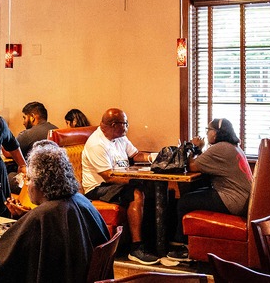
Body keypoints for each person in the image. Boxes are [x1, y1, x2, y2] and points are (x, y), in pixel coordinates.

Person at [0, 141, 109, 283]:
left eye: (28, 179)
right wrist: (25, 218)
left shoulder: (43, 216)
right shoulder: (82, 202)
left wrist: (28, 222)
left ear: (41, 182)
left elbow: (3, 268)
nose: (27, 184)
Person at [163, 118, 252, 264]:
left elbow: (191, 166)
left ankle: (183, 248)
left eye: (208, 130)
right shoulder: (232, 147)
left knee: (184, 202)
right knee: (193, 194)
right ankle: (181, 241)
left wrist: (195, 146)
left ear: (216, 133)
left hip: (233, 200)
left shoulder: (220, 148)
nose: (206, 133)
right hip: (242, 199)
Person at [81, 108, 159, 265]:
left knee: (151, 190)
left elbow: (136, 155)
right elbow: (108, 176)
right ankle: (135, 249)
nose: (127, 126)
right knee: (136, 193)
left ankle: (152, 242)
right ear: (114, 124)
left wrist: (155, 157)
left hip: (115, 183)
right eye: (125, 123)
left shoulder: (119, 137)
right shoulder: (97, 144)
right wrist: (136, 178)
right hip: (97, 188)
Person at [5, 101, 57, 193]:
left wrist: (2, 136)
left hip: (34, 184)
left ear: (32, 117)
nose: (23, 122)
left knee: (7, 177)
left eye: (24, 117)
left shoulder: (28, 134)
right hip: (53, 182)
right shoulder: (56, 130)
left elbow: (8, 153)